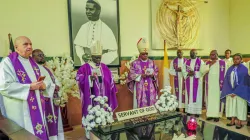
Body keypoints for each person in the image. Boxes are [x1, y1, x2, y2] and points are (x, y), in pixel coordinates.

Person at [0, 36, 51, 139]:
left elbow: (46, 79)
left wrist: (44, 84)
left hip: (37, 104)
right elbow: (4, 86)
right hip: (19, 108)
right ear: (16, 47)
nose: (29, 46)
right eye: (25, 44)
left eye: (31, 44)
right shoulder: (8, 63)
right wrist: (29, 87)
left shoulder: (34, 63)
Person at [76, 40, 118, 118]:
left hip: (104, 96)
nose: (98, 59)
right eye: (96, 58)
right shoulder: (84, 67)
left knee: (105, 116)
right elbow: (78, 78)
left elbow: (110, 79)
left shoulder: (104, 67)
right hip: (92, 97)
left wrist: (110, 81)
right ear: (91, 57)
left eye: (99, 57)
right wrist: (89, 79)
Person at [32, 49, 64, 140]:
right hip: (46, 100)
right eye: (39, 55)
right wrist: (53, 86)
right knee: (49, 122)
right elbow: (42, 84)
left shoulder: (46, 68)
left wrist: (57, 85)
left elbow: (54, 79)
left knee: (56, 121)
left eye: (42, 54)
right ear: (33, 57)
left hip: (53, 99)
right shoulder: (34, 69)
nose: (42, 56)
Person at [74, 0, 118, 65]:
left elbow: (113, 52)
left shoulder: (106, 29)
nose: (88, 12)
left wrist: (101, 60)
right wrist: (82, 55)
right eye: (86, 9)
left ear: (98, 11)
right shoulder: (83, 27)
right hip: (85, 66)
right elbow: (78, 46)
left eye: (91, 9)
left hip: (101, 66)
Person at [127, 38, 159, 109]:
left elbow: (156, 71)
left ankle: (152, 116)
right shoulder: (135, 63)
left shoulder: (152, 62)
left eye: (146, 54)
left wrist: (153, 74)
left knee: (151, 102)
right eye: (143, 54)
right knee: (141, 102)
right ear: (140, 54)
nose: (145, 55)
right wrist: (141, 75)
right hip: (140, 86)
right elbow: (131, 75)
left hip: (150, 85)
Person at [221, 53, 250, 129]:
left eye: (237, 59)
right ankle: (232, 121)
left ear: (241, 59)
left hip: (240, 93)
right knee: (232, 107)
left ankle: (240, 122)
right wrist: (230, 91)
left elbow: (244, 82)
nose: (235, 60)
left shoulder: (244, 69)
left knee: (239, 107)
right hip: (230, 92)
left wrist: (236, 92)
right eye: (234, 59)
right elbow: (226, 80)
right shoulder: (230, 69)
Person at [200, 50, 227, 122]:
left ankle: (217, 115)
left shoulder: (223, 63)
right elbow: (202, 71)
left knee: (217, 100)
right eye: (210, 55)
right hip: (209, 85)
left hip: (218, 85)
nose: (211, 56)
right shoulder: (207, 62)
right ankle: (210, 115)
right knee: (209, 99)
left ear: (217, 55)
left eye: (213, 55)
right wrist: (209, 65)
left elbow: (226, 74)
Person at [182, 49, 204, 117]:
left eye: (194, 53)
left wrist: (194, 73)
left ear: (196, 53)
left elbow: (202, 71)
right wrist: (188, 74)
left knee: (197, 96)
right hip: (189, 81)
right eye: (191, 53)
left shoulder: (200, 61)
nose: (192, 54)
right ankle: (189, 110)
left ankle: (197, 112)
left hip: (197, 82)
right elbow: (183, 70)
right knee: (189, 96)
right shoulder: (187, 62)